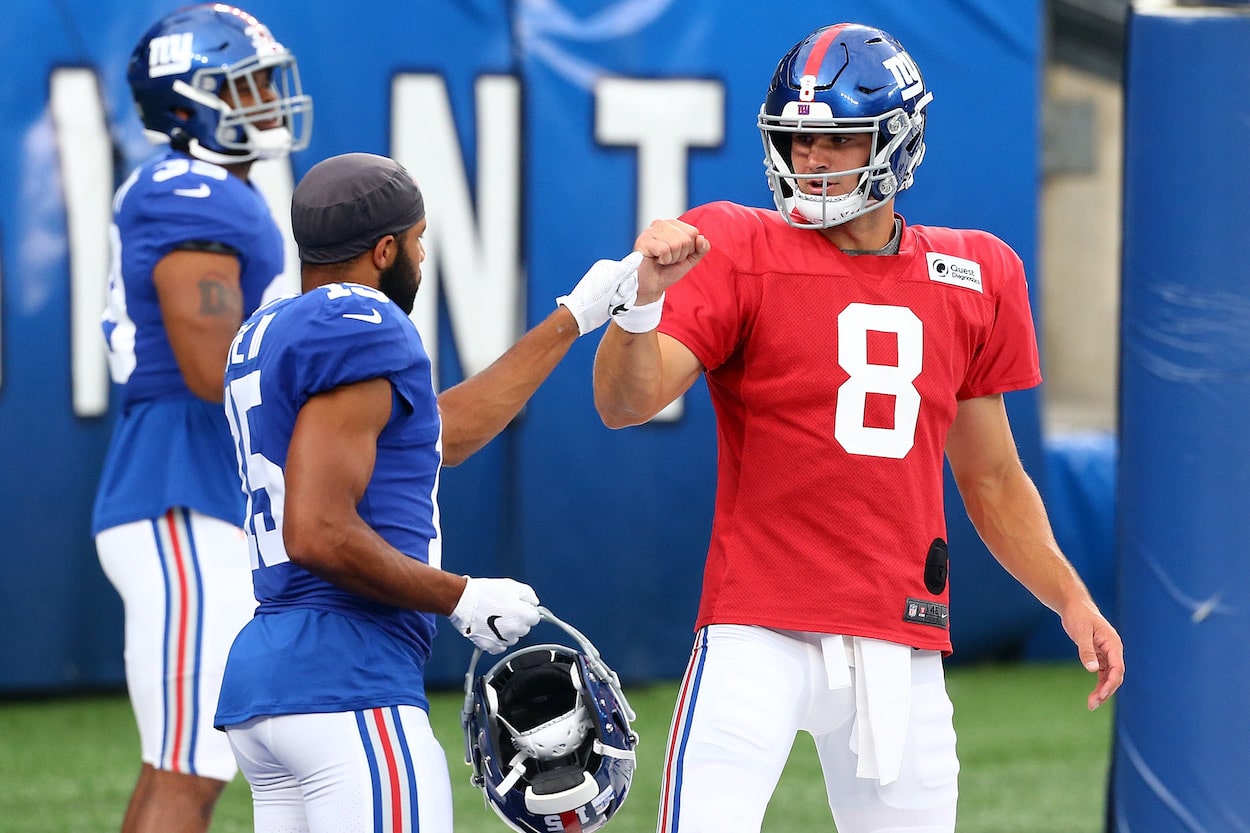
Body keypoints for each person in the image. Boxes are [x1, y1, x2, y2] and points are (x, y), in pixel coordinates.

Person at [591, 22, 1125, 833]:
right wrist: (639, 305)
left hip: (899, 634)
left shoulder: (978, 273)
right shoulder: (737, 244)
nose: (809, 161)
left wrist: (1069, 595)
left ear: (896, 140)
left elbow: (990, 477)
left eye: (834, 139)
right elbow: (624, 402)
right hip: (758, 626)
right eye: (797, 140)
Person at [213, 152, 642, 833]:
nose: (420, 253)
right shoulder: (363, 321)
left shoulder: (267, 331)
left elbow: (442, 435)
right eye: (415, 240)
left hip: (270, 686)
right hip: (347, 678)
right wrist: (460, 594)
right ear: (384, 249)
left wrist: (574, 317)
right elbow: (316, 530)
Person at [92, 6, 312, 832]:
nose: (266, 99)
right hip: (179, 489)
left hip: (199, 490)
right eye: (243, 85)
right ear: (186, 104)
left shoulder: (224, 189)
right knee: (195, 761)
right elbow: (210, 367)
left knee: (189, 758)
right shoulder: (189, 192)